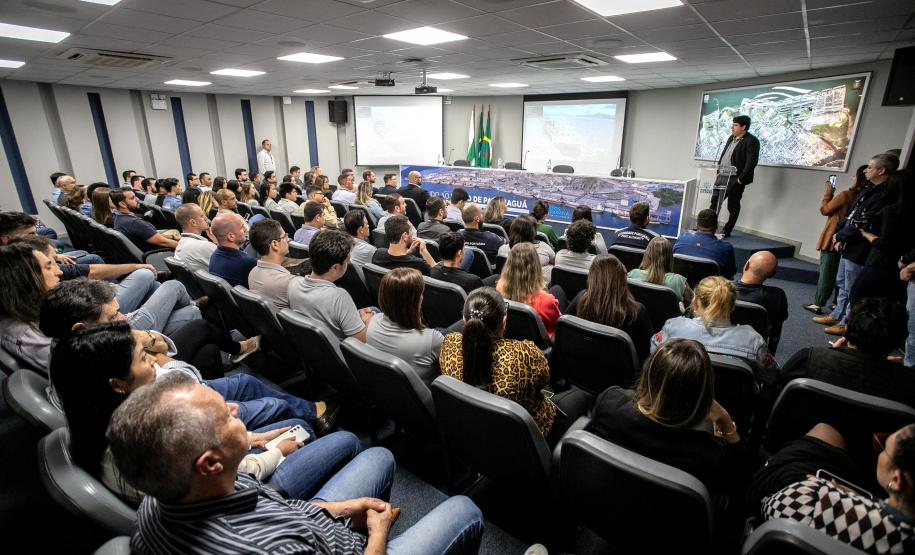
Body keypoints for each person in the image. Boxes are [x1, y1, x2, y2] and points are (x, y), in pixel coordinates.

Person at [107, 374, 484, 555]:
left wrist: (339, 508)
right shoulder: (263, 550)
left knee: (379, 456)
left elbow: (280, 508)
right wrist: (378, 536)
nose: (236, 409)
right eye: (225, 416)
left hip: (312, 528)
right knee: (464, 510)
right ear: (209, 464)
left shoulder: (164, 496)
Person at [586, 339, 746, 494]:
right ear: (702, 396)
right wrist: (724, 419)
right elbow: (740, 481)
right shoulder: (709, 454)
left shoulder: (609, 404)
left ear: (648, 374)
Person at [439, 287, 591, 444]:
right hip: (533, 437)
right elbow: (544, 381)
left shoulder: (449, 345)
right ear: (504, 321)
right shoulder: (524, 354)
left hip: (475, 435)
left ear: (464, 320)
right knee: (581, 395)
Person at [40, 278, 259, 383]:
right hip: (173, 392)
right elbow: (165, 373)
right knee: (200, 325)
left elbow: (161, 347)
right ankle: (237, 350)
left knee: (208, 351)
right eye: (113, 317)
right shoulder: (96, 367)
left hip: (178, 385)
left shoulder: (76, 346)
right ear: (80, 328)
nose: (123, 319)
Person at [753, 422, 914, 555]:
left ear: (896, 480)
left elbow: (766, 505)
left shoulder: (815, 503)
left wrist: (828, 494)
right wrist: (862, 500)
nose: (879, 449)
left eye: (883, 446)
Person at [815, 153, 899, 335]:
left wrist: (842, 236)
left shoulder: (884, 195)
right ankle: (837, 315)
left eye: (870, 167)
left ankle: (847, 323)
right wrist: (838, 235)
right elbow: (850, 216)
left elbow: (863, 222)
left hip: (860, 248)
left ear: (881, 170)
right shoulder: (868, 189)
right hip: (848, 244)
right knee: (842, 282)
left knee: (853, 288)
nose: (866, 171)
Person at [775, 297, 912, 403]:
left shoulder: (807, 359)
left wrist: (832, 354)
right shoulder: (908, 384)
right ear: (900, 339)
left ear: (846, 329)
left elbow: (776, 389)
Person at [652, 276, 770, 365]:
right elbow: (771, 377)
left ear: (695, 303)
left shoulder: (672, 327)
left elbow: (654, 354)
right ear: (732, 307)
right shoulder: (753, 341)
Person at [288, 229, 374, 341]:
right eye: (348, 259)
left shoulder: (293, 283)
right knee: (374, 311)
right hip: (341, 347)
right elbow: (361, 339)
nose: (349, 262)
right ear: (335, 267)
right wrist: (366, 320)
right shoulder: (339, 297)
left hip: (314, 345)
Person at [568, 254, 654, 362]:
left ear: (592, 277)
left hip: (582, 364)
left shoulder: (581, 299)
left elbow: (564, 329)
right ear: (622, 279)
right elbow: (650, 351)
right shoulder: (637, 311)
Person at [366, 268, 443, 386]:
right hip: (424, 395)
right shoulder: (432, 339)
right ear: (415, 301)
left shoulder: (372, 320)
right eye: (420, 294)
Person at [804, 166, 865, 315]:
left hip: (833, 238)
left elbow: (825, 210)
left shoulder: (846, 195)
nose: (852, 178)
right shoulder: (862, 197)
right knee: (841, 275)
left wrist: (828, 193)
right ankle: (837, 304)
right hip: (849, 241)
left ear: (859, 178)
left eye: (855, 176)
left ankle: (818, 303)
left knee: (827, 273)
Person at [849, 170, 914, 309]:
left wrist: (867, 234)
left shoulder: (892, 210)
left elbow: (885, 243)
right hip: (899, 267)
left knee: (857, 299)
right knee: (887, 306)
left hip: (880, 263)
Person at [709, 114, 760, 238]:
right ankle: (708, 227)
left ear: (744, 127)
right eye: (732, 125)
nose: (732, 127)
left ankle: (727, 230)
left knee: (732, 205)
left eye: (735, 125)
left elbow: (751, 162)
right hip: (723, 175)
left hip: (735, 178)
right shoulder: (731, 138)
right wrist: (719, 169)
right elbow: (725, 154)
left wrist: (740, 179)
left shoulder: (752, 141)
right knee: (715, 201)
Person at [497, 242, 563, 337]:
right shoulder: (546, 300)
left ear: (509, 264)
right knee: (557, 289)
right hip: (539, 344)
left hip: (512, 335)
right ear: (536, 266)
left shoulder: (500, 287)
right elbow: (558, 323)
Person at [735, 251, 788, 354]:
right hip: (754, 348)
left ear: (746, 265)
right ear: (772, 274)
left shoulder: (719, 288)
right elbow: (777, 327)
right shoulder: (777, 296)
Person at [673, 208, 736, 279]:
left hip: (681, 285)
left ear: (696, 225)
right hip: (710, 286)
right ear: (716, 226)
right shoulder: (726, 248)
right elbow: (730, 274)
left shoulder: (682, 239)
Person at [248, 219, 297, 309]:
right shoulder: (288, 282)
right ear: (275, 244)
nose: (287, 240)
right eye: (284, 236)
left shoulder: (252, 273)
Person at [628, 236, 692, 305]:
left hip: (638, 312)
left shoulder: (633, 274)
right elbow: (694, 303)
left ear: (647, 254)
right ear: (670, 257)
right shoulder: (678, 281)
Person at [111, 189, 179, 251]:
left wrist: (173, 237)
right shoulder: (133, 222)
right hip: (158, 253)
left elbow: (149, 234)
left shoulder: (119, 218)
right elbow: (164, 242)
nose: (137, 199)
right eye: (132, 198)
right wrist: (183, 246)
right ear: (122, 204)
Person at [497, 215, 555, 282]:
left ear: (511, 230)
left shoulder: (502, 250)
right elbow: (555, 262)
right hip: (535, 285)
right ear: (533, 232)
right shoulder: (544, 248)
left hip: (509, 283)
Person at [208, 212, 257, 288]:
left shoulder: (214, 256)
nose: (245, 229)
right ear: (231, 236)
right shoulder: (248, 262)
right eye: (241, 228)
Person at [174, 203, 216, 274]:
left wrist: (215, 240)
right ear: (193, 222)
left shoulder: (181, 243)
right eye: (202, 216)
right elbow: (228, 266)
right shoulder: (203, 246)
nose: (206, 219)